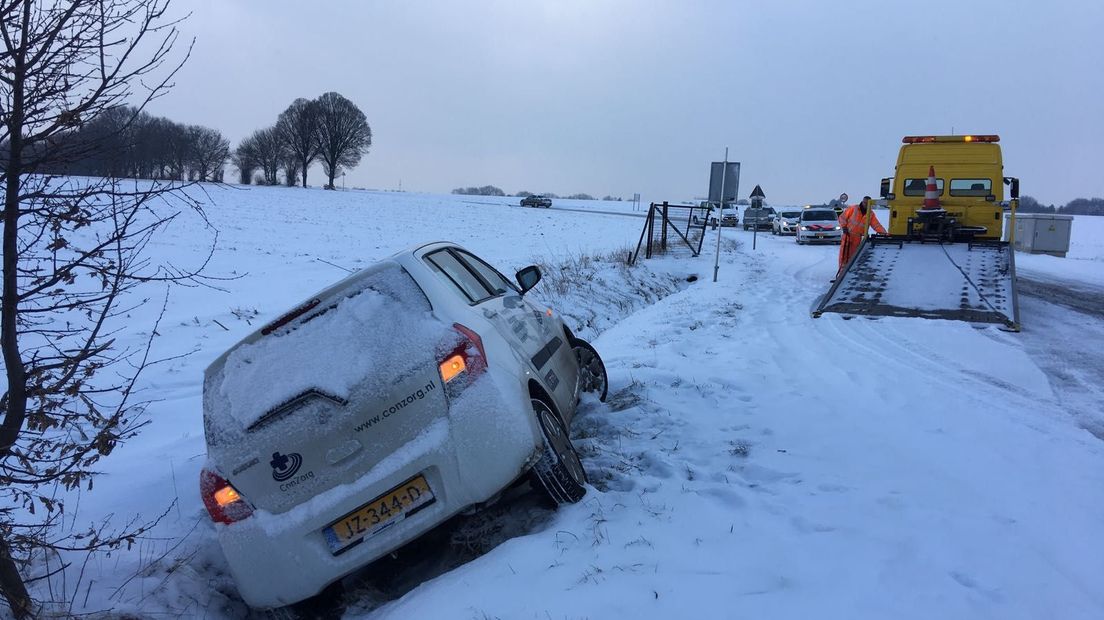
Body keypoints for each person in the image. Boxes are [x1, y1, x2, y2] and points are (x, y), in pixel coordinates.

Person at [837, 196, 886, 277]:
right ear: (862, 201)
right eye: (864, 202)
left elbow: (876, 225)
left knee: (853, 256)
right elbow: (842, 217)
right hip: (847, 235)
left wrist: (884, 234)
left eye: (867, 203)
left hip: (857, 237)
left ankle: (849, 275)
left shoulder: (871, 214)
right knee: (843, 255)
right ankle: (841, 275)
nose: (865, 204)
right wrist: (844, 227)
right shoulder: (853, 208)